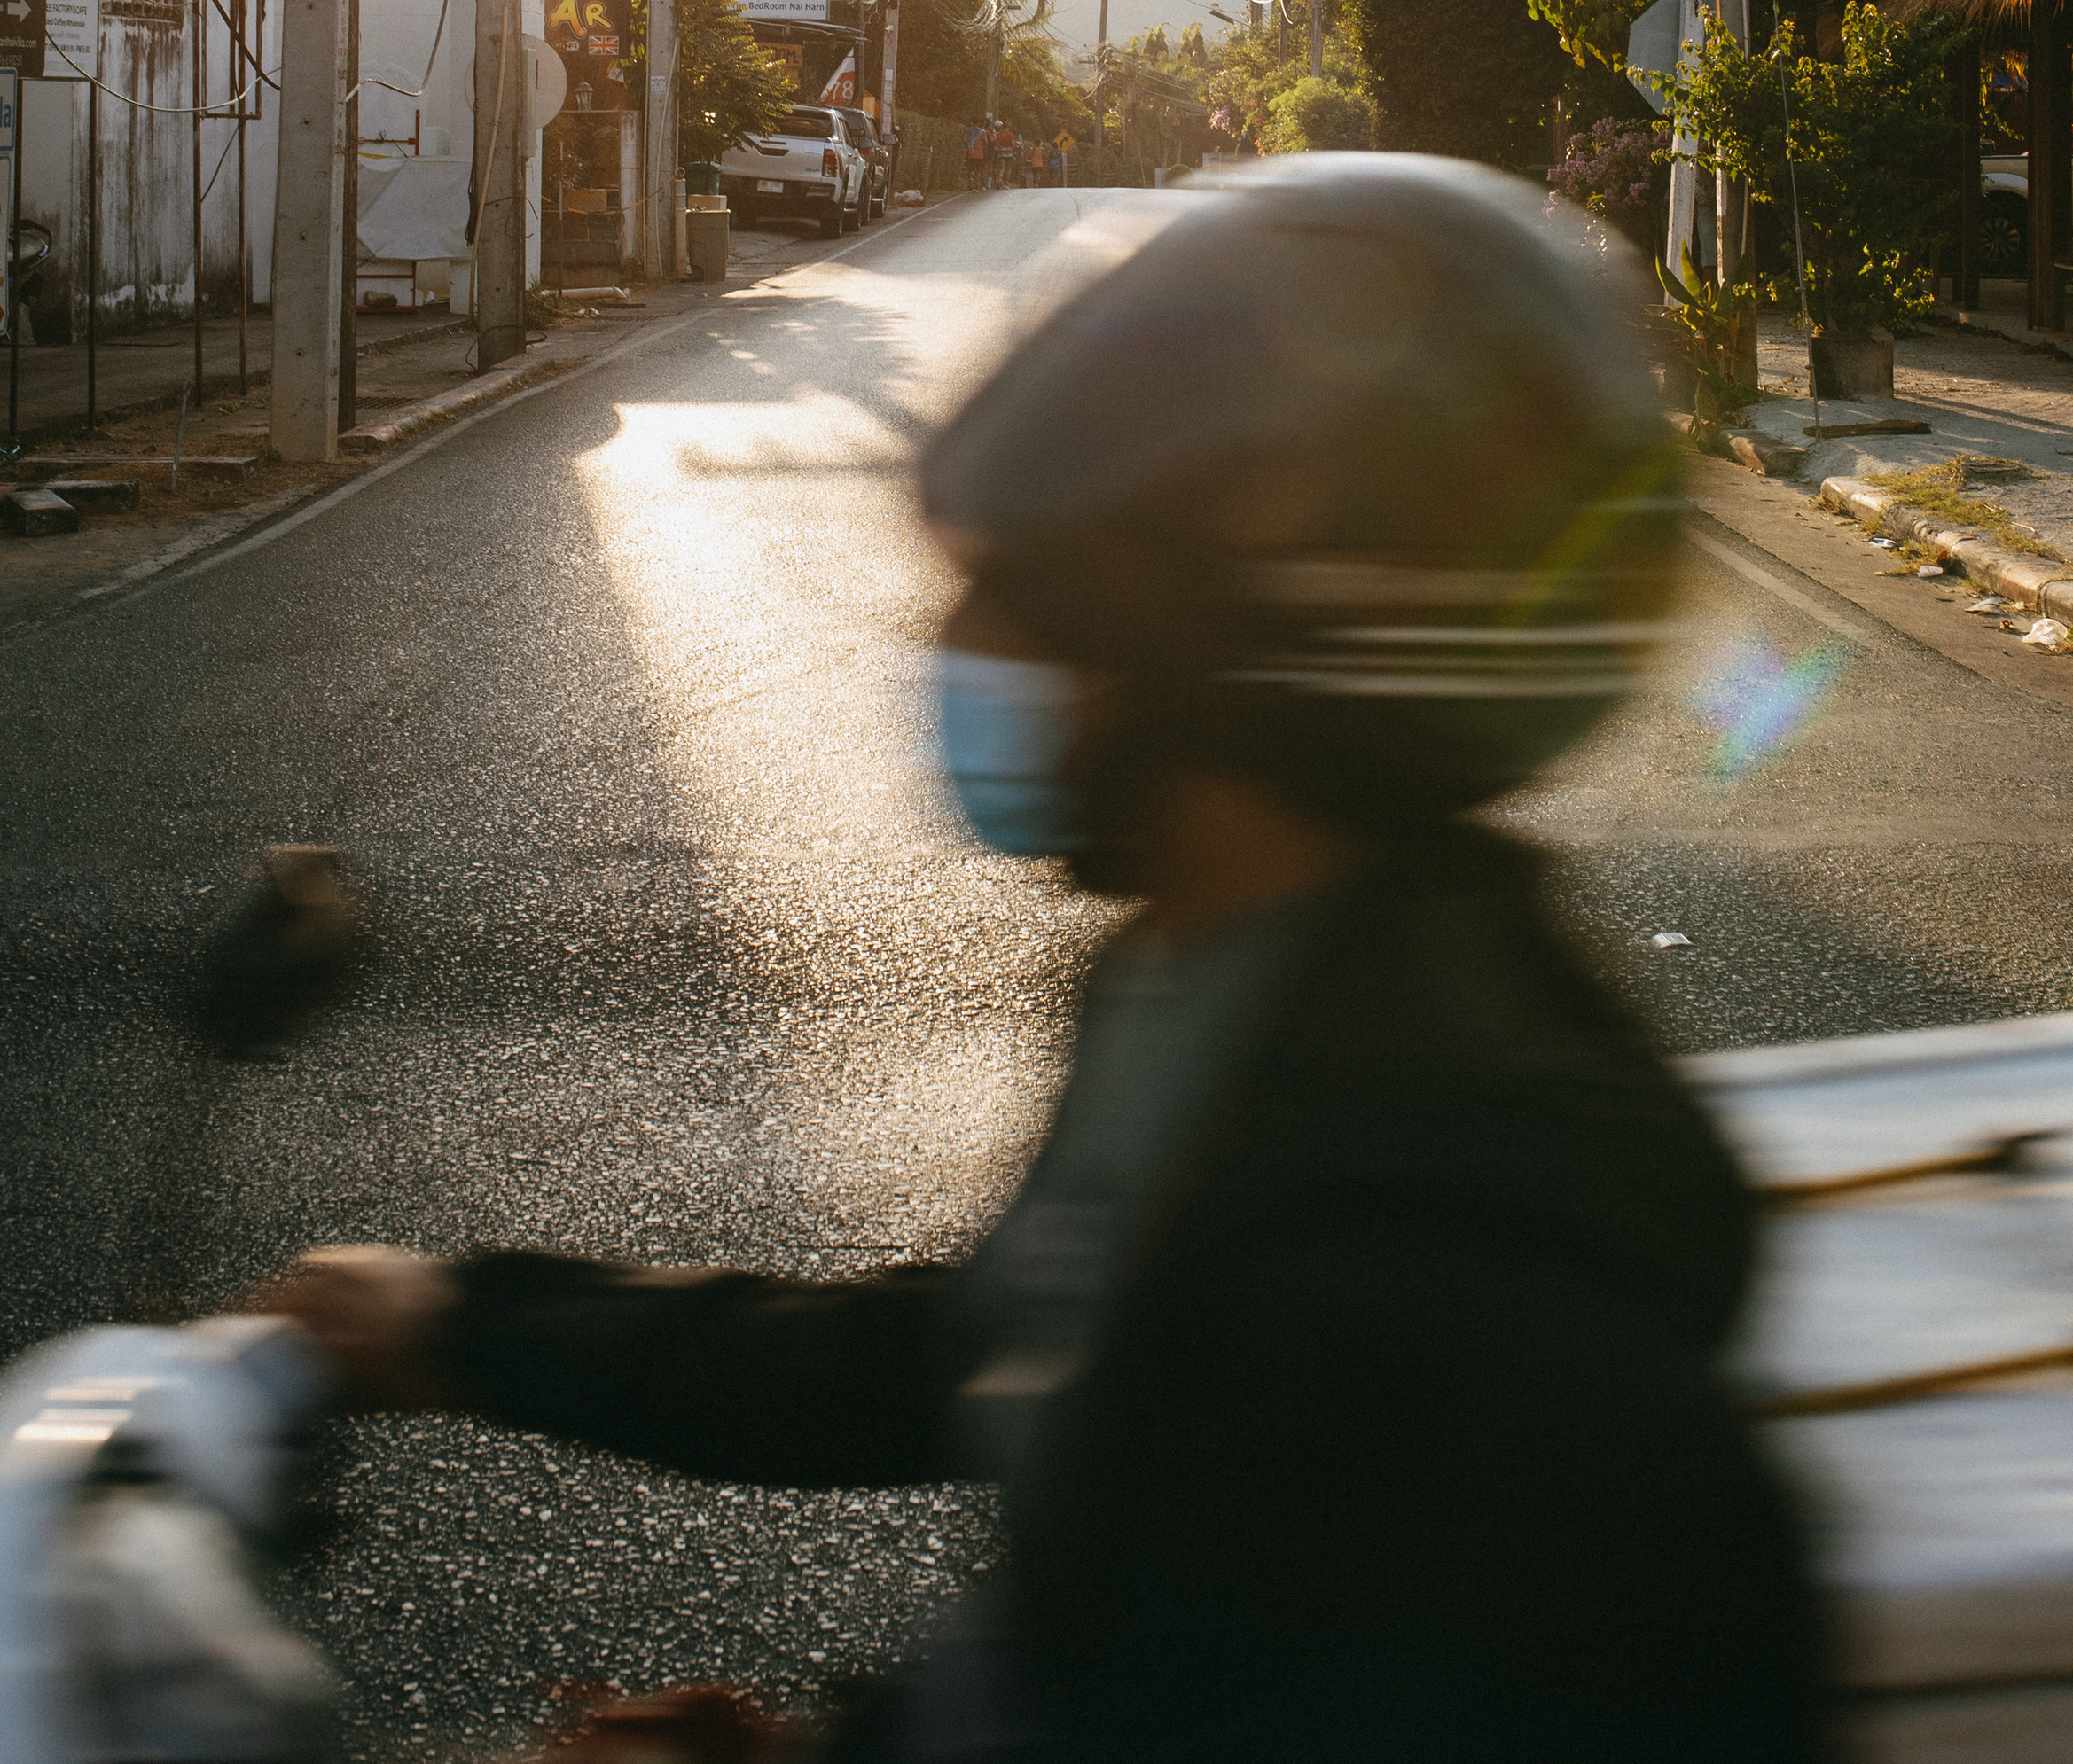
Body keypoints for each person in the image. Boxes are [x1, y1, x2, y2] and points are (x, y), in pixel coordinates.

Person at [261, 158, 1824, 1761]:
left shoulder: (1432, 1227)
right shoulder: (1222, 981)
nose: (957, 651)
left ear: (1203, 635)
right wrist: (462, 1323)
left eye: (1021, 591)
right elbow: (994, 1351)